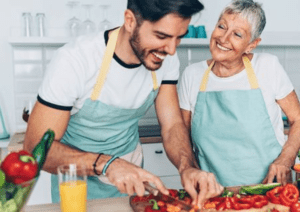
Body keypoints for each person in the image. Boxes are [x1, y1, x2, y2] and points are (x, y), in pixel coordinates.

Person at [24, 0, 223, 206]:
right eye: (161, 36)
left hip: (132, 180)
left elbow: (172, 124)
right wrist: (108, 164)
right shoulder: (75, 60)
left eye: (178, 38)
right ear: (130, 21)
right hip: (78, 182)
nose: (172, 50)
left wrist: (187, 167)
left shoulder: (166, 59)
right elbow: (36, 148)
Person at [178, 0, 300, 187]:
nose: (224, 38)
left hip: (269, 188)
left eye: (237, 34)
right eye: (221, 26)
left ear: (252, 44)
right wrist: (191, 171)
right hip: (212, 193)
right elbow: (181, 137)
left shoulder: (267, 66)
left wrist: (286, 160)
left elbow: (297, 119)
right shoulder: (192, 75)